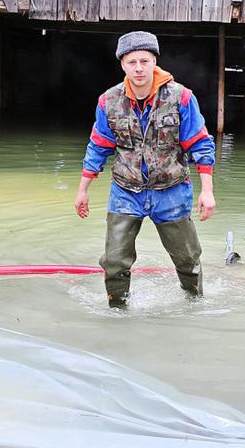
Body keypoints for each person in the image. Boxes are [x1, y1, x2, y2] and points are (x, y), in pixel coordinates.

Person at [74, 31, 216, 308]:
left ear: (154, 62)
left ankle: (195, 306)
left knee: (188, 260)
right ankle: (117, 313)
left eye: (144, 61)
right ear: (122, 65)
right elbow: (98, 146)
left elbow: (200, 143)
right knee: (114, 262)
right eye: (132, 62)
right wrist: (83, 190)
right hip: (125, 191)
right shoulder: (108, 101)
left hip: (171, 190)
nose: (138, 68)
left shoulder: (181, 97)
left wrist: (207, 192)